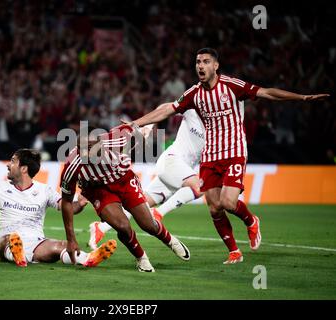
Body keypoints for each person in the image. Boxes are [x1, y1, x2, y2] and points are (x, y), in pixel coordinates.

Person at [127, 47, 330, 264]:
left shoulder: (232, 86)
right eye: (197, 62)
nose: (200, 66)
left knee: (229, 202)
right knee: (214, 207)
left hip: (234, 152)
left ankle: (251, 220)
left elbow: (267, 92)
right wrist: (136, 123)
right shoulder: (194, 94)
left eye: (205, 61)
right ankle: (234, 251)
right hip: (210, 156)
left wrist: (302, 98)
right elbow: (167, 109)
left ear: (216, 65)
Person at [60, 124, 191, 273]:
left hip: (123, 181)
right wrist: (71, 239)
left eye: (90, 147)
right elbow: (66, 202)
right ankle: (141, 258)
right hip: (99, 191)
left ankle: (169, 240)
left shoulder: (116, 138)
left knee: (148, 225)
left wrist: (141, 134)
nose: (87, 153)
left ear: (101, 143)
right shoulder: (72, 165)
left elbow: (137, 129)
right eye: (83, 149)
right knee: (122, 226)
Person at [88, 109, 206, 250]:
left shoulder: (222, 126)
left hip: (185, 168)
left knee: (142, 203)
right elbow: (166, 109)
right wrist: (148, 126)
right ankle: (159, 212)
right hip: (173, 162)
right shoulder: (195, 105)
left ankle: (101, 227)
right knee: (203, 187)